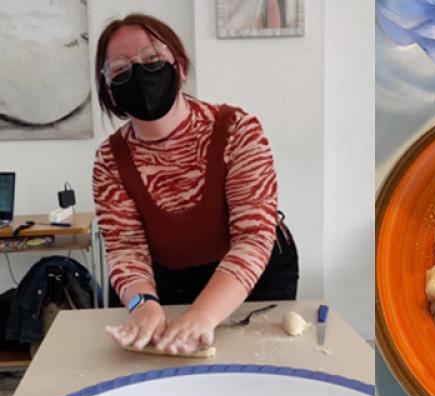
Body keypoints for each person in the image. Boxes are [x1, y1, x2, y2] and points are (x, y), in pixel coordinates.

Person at [92, 13, 298, 355]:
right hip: (167, 279)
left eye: (151, 59)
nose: (139, 73)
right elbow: (125, 249)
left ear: (180, 67)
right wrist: (143, 305)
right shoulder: (109, 161)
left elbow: (253, 237)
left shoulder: (238, 130)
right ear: (110, 92)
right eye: (121, 69)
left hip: (256, 273)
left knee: (257, 362)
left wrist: (204, 313)